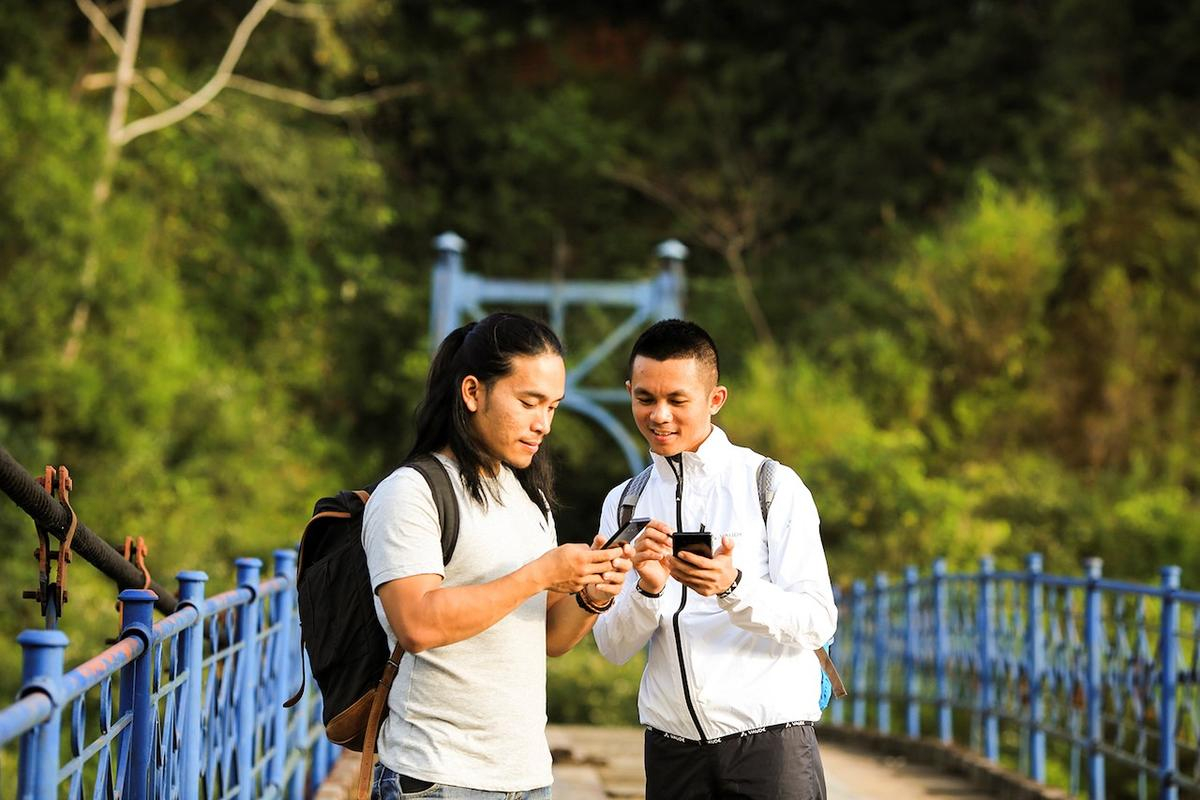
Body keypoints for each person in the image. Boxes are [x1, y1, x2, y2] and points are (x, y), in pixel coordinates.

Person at [362, 312, 633, 799]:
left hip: (527, 778)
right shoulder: (412, 491)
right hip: (439, 777)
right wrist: (539, 574)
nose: (543, 424)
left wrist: (592, 596)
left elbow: (549, 637)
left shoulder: (531, 498)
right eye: (529, 403)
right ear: (473, 392)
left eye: (552, 407)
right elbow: (417, 625)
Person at [593, 319, 838, 800]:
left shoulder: (770, 485)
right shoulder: (624, 503)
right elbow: (613, 647)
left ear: (715, 399)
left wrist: (733, 586)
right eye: (644, 399)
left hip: (772, 748)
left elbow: (817, 621)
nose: (659, 416)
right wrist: (647, 590)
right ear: (629, 392)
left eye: (677, 400)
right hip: (672, 754)